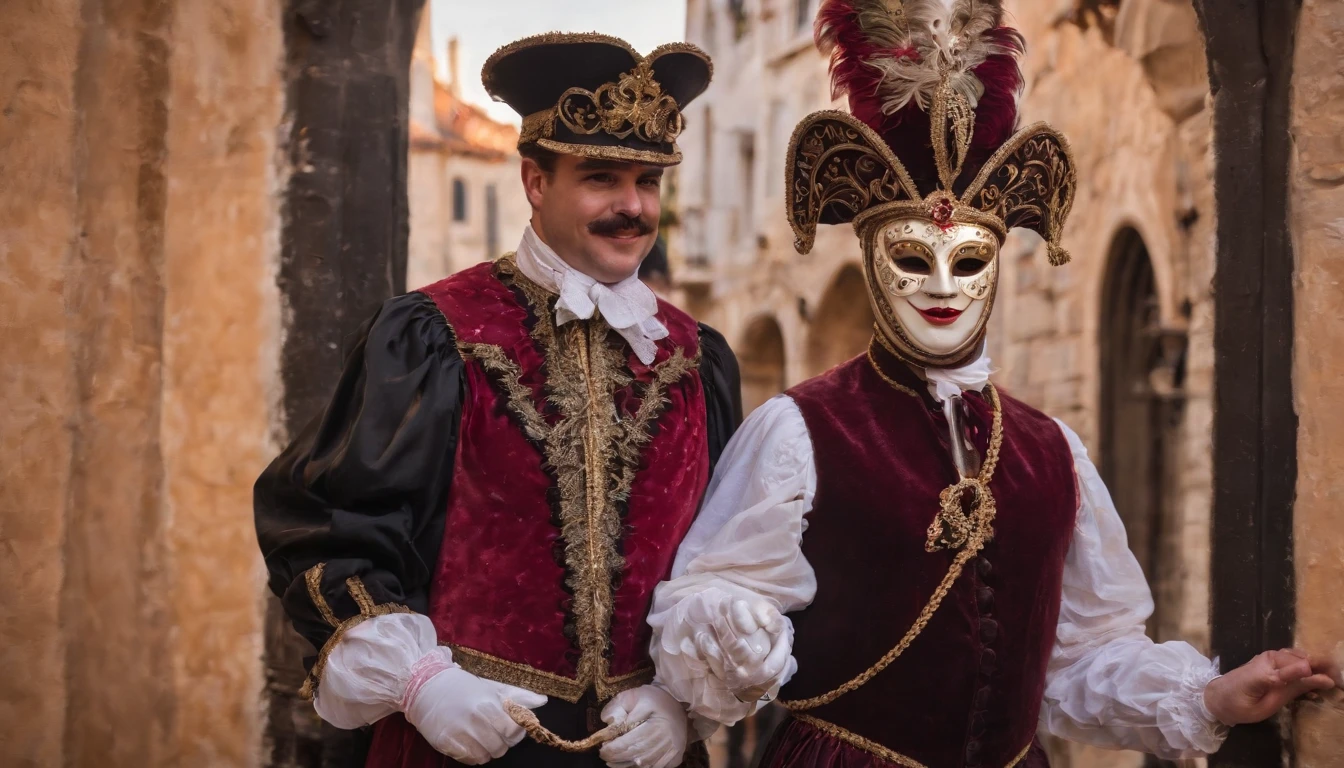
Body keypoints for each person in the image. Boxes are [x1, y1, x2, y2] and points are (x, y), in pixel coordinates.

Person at [645, 2, 1341, 767]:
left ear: (998, 264)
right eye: (913, 258)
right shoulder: (798, 432)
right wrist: (731, 628)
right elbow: (720, 611)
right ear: (874, 257)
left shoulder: (1053, 451)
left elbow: (1082, 659)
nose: (943, 285)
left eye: (969, 261)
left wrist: (1210, 696)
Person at [255, 32, 739, 768]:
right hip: (468, 743)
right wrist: (421, 684)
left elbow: (730, 556)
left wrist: (685, 702)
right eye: (601, 177)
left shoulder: (700, 359)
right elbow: (330, 530)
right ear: (535, 181)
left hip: (646, 754)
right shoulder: (434, 336)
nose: (633, 206)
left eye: (649, 181)